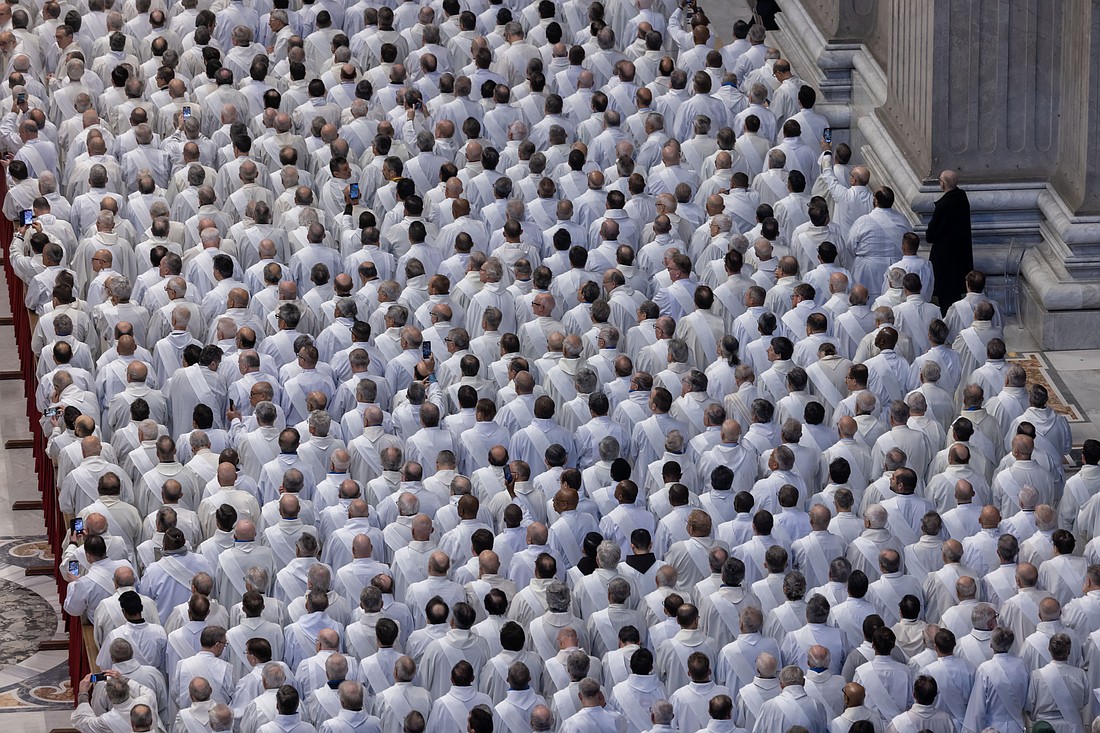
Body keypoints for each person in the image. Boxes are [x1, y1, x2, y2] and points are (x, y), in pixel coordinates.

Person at [925, 170, 973, 314]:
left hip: (946, 258)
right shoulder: (962, 197)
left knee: (947, 298)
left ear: (943, 183)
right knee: (955, 294)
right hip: (960, 255)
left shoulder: (944, 205)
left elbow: (931, 234)